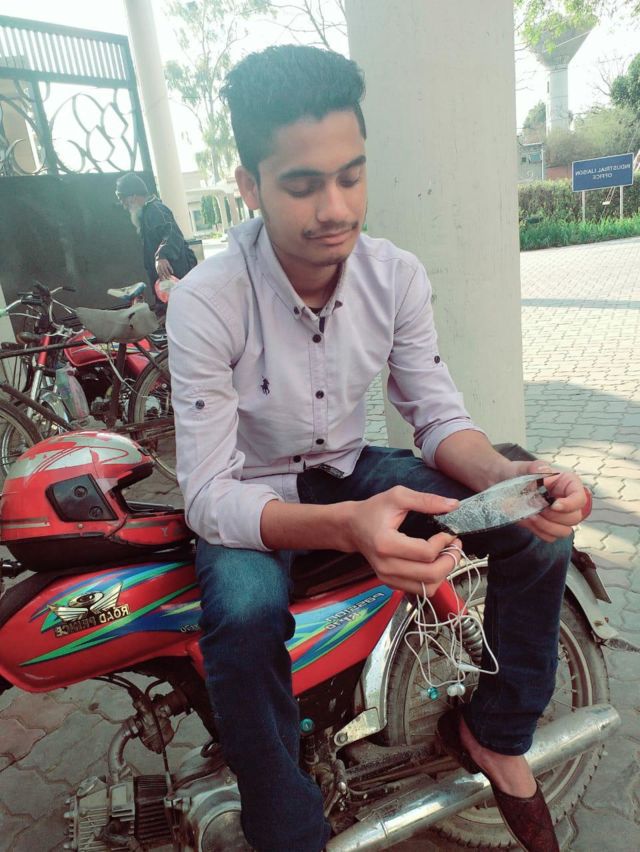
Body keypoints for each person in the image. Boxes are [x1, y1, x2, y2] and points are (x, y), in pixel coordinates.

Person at [167, 45, 587, 852]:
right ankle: (287, 830)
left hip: (352, 468)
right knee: (244, 622)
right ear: (249, 185)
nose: (335, 208)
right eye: (302, 185)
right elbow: (210, 495)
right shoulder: (206, 302)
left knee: (536, 530)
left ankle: (498, 733)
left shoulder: (394, 276)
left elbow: (437, 417)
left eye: (351, 176)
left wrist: (510, 478)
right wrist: (346, 527)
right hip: (255, 496)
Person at [115, 172, 197, 311]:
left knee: (183, 312)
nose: (124, 206)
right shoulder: (147, 213)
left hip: (176, 276)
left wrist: (162, 255)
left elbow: (172, 233)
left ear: (133, 197)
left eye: (123, 200)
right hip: (166, 282)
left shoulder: (155, 210)